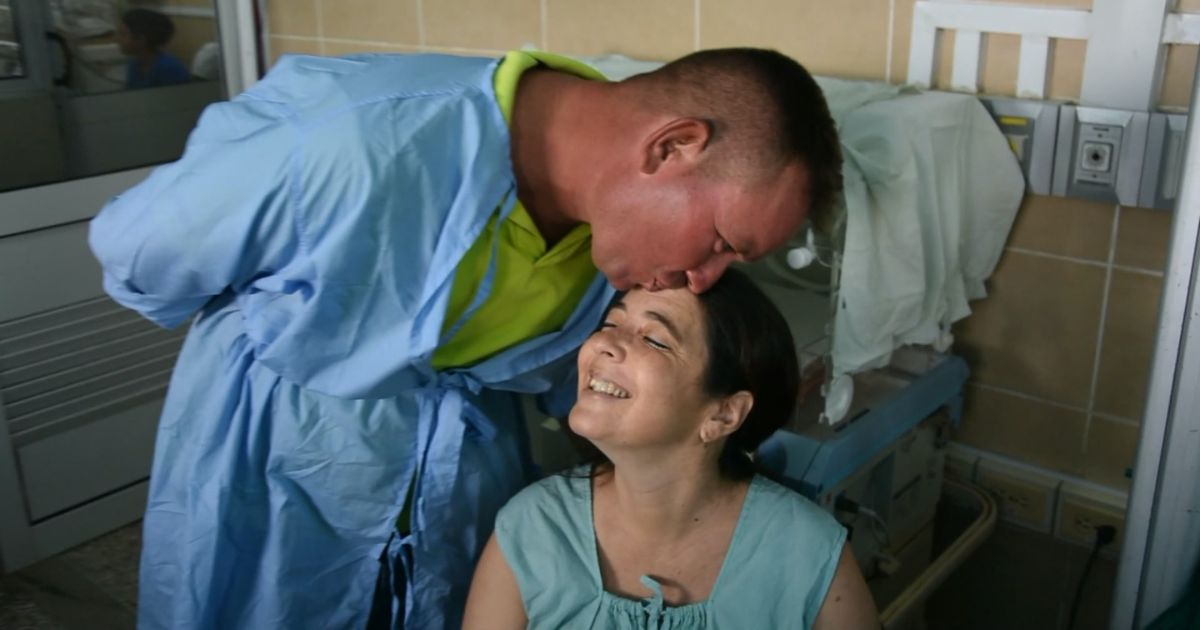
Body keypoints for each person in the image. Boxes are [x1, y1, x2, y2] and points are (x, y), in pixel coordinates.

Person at [88, 47, 841, 629]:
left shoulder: (609, 244)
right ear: (672, 146)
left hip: (453, 489)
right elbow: (137, 251)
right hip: (276, 466)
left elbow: (573, 383)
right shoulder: (350, 142)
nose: (704, 277)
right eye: (718, 241)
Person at [462, 269, 878, 629]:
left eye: (656, 340)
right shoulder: (530, 529)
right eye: (610, 324)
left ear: (724, 415)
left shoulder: (807, 553)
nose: (604, 345)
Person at [116, 8, 190, 89]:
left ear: (141, 39)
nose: (118, 39)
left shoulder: (169, 68)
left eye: (123, 34)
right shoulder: (134, 63)